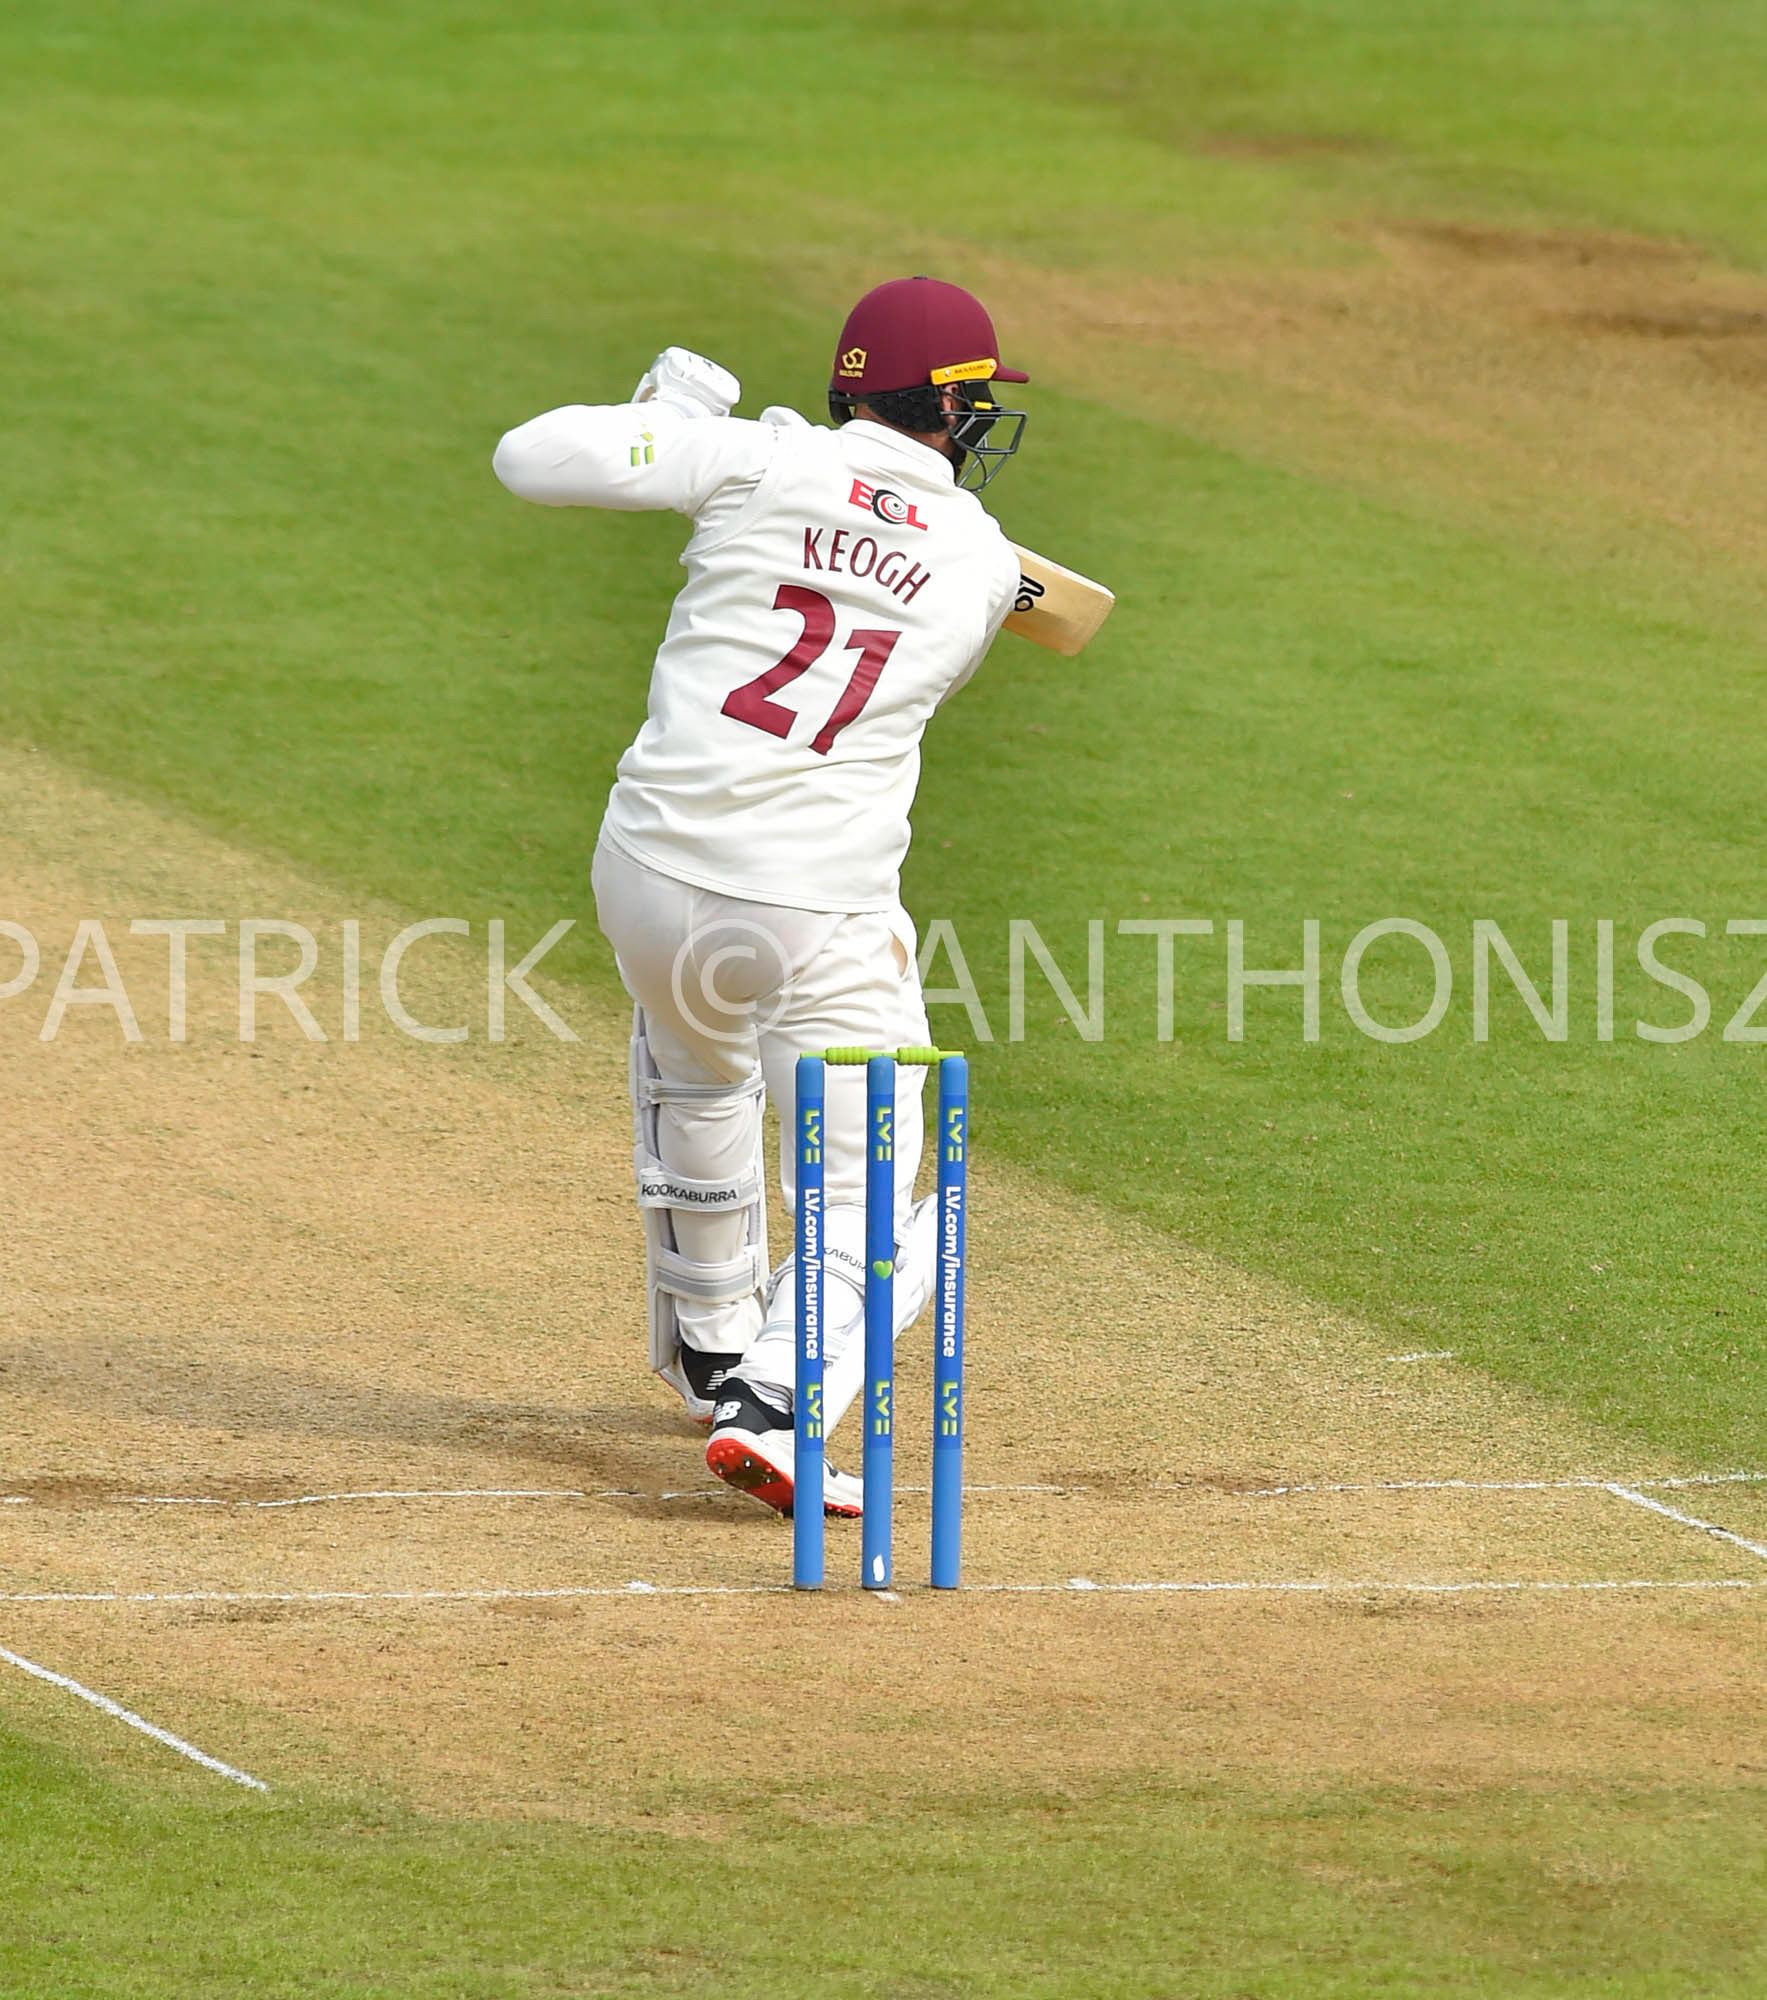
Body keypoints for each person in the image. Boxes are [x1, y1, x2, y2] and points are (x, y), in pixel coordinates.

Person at [493, 276, 1027, 1515]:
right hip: (810, 912)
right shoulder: (987, 567)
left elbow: (528, 458)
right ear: (951, 413)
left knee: (695, 1066)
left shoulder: (751, 464)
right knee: (885, 1181)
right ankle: (777, 1407)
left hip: (643, 875)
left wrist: (677, 426)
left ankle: (712, 1343)